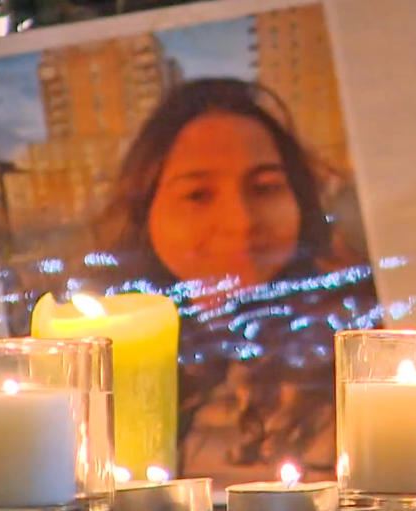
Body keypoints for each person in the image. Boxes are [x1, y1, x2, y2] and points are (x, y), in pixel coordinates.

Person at [99, 78, 378, 484]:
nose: (242, 221)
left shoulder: (353, 351)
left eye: (265, 188)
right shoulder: (102, 360)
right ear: (145, 211)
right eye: (198, 195)